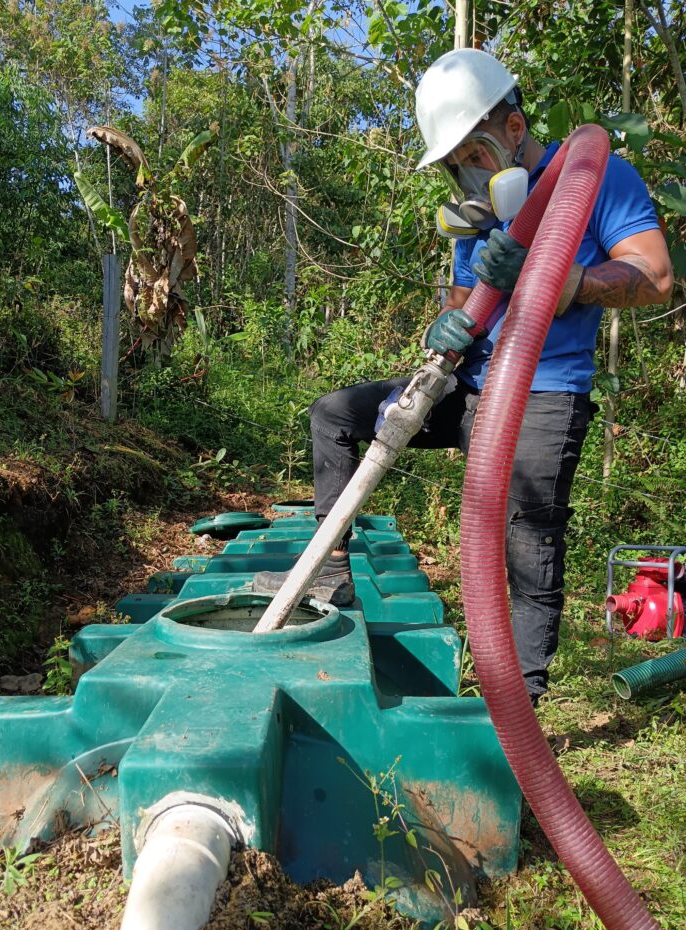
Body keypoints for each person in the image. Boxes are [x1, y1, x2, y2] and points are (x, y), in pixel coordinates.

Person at [254, 48, 673, 705]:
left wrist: (566, 283)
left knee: (526, 543)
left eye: (473, 155)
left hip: (543, 389)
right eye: (454, 166)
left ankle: (520, 705)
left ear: (512, 128)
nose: (467, 174)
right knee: (335, 416)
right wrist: (444, 326)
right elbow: (462, 302)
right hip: (471, 384)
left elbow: (655, 277)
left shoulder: (596, 177)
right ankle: (331, 575)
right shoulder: (477, 213)